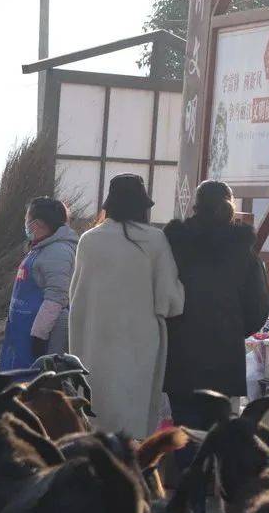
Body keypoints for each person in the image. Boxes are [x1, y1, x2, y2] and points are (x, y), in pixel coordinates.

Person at [69, 174, 184, 438]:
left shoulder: (89, 240)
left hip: (93, 343)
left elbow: (75, 296)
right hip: (139, 346)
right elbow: (170, 301)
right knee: (131, 422)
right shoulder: (154, 240)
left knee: (97, 417)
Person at [163, 180, 269, 461]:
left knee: (184, 429)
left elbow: (161, 294)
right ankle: (208, 489)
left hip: (180, 355)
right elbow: (259, 308)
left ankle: (189, 496)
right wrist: (234, 328)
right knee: (217, 432)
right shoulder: (244, 252)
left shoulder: (174, 245)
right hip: (224, 358)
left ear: (195, 206)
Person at [0, 197, 78, 371]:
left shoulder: (58, 251)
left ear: (38, 223)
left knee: (38, 388)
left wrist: (39, 336)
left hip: (42, 335)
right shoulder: (41, 247)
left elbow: (56, 298)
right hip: (22, 330)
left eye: (27, 219)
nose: (25, 223)